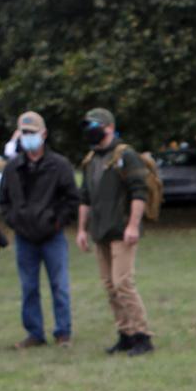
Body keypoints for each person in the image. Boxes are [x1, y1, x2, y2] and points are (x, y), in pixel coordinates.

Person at [75, 107, 155, 356]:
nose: (90, 131)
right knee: (109, 285)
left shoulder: (126, 155)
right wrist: (81, 229)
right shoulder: (91, 160)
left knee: (123, 283)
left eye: (93, 126)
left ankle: (142, 335)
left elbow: (139, 192)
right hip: (101, 231)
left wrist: (132, 225)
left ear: (108, 127)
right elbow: (85, 198)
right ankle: (126, 333)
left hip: (121, 230)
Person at [0, 110, 78, 346]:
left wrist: (57, 221)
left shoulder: (59, 165)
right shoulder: (13, 168)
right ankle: (35, 333)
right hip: (25, 237)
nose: (28, 137)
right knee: (28, 287)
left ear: (43, 134)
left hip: (52, 235)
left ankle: (63, 331)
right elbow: (3, 201)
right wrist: (14, 221)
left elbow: (72, 199)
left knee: (59, 285)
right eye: (23, 133)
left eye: (32, 133)